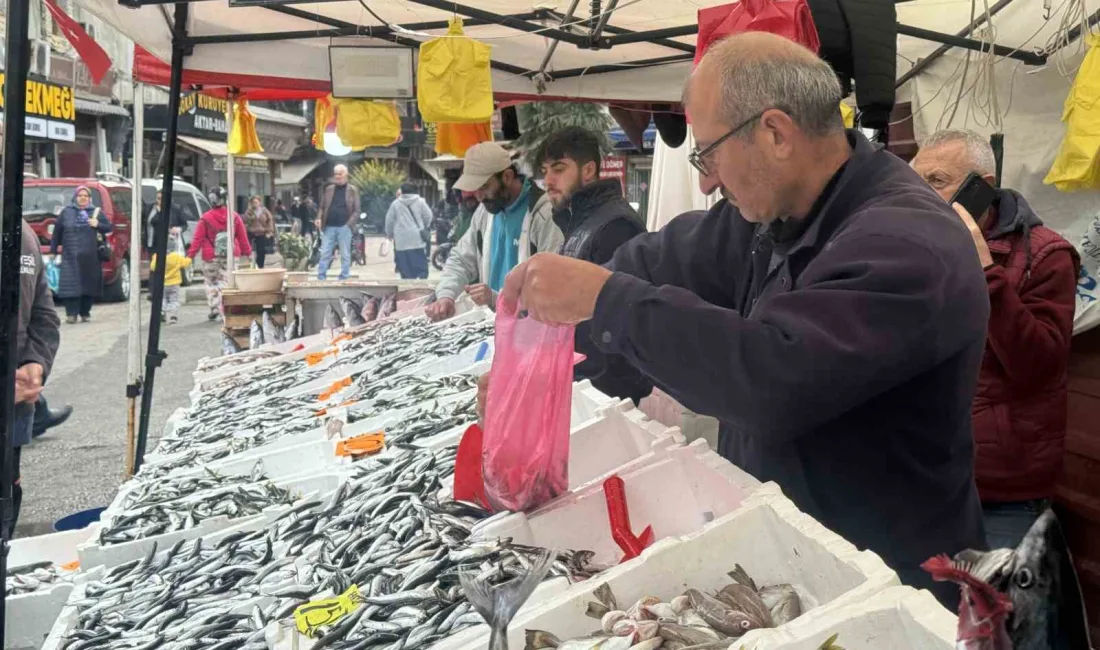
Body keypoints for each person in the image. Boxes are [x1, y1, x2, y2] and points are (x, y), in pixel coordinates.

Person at [497, 32, 989, 608]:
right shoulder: (777, 208)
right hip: (793, 555)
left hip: (893, 582)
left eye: (708, 153)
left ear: (775, 133)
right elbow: (662, 260)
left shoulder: (908, 244)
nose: (705, 179)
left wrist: (606, 300)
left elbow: (771, 377)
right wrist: (550, 331)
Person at [911, 129, 1080, 550]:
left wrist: (984, 272)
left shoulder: (1046, 255)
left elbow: (1037, 365)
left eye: (936, 181)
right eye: (915, 182)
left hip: (1001, 490)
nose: (921, 196)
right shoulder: (918, 247)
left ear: (980, 189)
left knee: (994, 611)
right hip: (925, 474)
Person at [538, 126, 650, 404]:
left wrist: (572, 375)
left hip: (608, 391)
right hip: (583, 381)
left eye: (559, 169)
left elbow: (614, 316)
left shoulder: (615, 225)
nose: (548, 180)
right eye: (544, 171)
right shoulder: (579, 222)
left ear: (588, 171)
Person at [425, 142, 563, 321]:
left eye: (484, 187)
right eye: (475, 189)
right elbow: (461, 259)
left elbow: (550, 287)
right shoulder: (485, 212)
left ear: (506, 176)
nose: (479, 195)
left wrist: (495, 299)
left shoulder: (544, 214)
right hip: (494, 326)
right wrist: (446, 295)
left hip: (531, 331)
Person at [11, 219, 61, 536]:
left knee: (8, 492)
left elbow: (44, 316)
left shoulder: (23, 233)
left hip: (15, 412)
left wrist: (35, 361)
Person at [50, 186, 113, 324]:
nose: (83, 198)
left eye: (86, 196)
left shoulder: (96, 212)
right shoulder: (66, 212)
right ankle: (71, 314)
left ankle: (85, 312)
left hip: (90, 257)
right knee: (70, 286)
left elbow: (108, 228)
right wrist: (53, 251)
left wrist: (97, 224)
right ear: (75, 197)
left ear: (90, 198)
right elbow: (57, 233)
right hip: (70, 256)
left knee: (88, 286)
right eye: (80, 195)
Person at [188, 187, 251, 322]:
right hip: (231, 254)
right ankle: (225, 307)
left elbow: (197, 239)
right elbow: (242, 237)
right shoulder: (234, 217)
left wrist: (190, 256)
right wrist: (248, 252)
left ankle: (216, 307)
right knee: (227, 282)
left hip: (211, 255)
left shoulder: (205, 218)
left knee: (211, 282)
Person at [315, 165, 361, 281]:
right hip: (329, 226)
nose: (338, 176)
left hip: (344, 226)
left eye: (340, 173)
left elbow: (356, 210)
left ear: (345, 175)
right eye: (336, 173)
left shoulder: (352, 190)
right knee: (325, 252)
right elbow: (322, 206)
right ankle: (321, 276)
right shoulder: (329, 189)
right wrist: (319, 218)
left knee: (345, 254)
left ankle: (344, 276)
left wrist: (348, 225)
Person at [386, 183, 433, 280]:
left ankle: (408, 288)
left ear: (402, 191)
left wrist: (389, 233)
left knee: (406, 271)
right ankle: (420, 286)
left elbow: (389, 220)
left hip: (401, 241)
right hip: (417, 239)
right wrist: (423, 225)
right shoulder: (420, 202)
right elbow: (428, 216)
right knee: (421, 268)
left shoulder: (395, 204)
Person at [151, 232, 193, 324]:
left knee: (163, 299)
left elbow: (152, 267)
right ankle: (172, 315)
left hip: (163, 283)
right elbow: (186, 263)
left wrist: (154, 258)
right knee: (174, 300)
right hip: (174, 284)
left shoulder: (158, 257)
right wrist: (190, 256)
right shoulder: (176, 257)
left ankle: (163, 311)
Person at [244, 195, 276, 269]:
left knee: (261, 251)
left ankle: (260, 266)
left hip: (262, 232)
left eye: (256, 202)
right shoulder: (249, 211)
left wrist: (270, 231)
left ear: (259, 203)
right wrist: (250, 216)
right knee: (250, 250)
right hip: (252, 232)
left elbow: (270, 220)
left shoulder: (264, 210)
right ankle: (250, 264)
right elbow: (245, 220)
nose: (255, 204)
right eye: (253, 202)